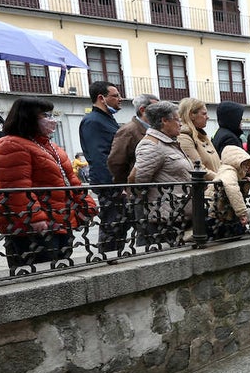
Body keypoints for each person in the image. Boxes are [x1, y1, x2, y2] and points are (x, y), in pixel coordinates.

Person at [0, 97, 96, 268]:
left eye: (52, 115)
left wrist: (86, 204)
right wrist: (35, 218)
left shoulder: (50, 146)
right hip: (32, 227)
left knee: (60, 268)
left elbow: (70, 179)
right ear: (28, 117)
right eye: (45, 115)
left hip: (58, 220)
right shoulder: (10, 145)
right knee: (38, 270)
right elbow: (16, 187)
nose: (52, 120)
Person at [132, 101, 201, 245]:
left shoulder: (169, 143)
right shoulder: (151, 145)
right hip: (165, 220)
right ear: (164, 121)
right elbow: (137, 182)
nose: (180, 124)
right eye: (177, 120)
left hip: (180, 216)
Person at [80, 80, 124, 253]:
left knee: (119, 224)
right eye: (115, 95)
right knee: (112, 224)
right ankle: (108, 256)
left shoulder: (106, 119)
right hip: (109, 184)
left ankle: (115, 254)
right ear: (101, 98)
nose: (120, 99)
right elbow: (100, 156)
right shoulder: (93, 121)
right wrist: (115, 183)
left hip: (115, 182)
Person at [207, 145, 250, 238]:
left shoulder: (231, 171)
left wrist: (243, 180)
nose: (247, 167)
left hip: (221, 211)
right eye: (244, 164)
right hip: (218, 211)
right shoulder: (229, 172)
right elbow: (232, 189)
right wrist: (242, 213)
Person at [176, 98, 222, 174]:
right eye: (204, 114)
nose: (207, 117)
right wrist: (221, 179)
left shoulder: (202, 136)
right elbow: (198, 168)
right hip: (208, 185)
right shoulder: (184, 137)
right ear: (191, 115)